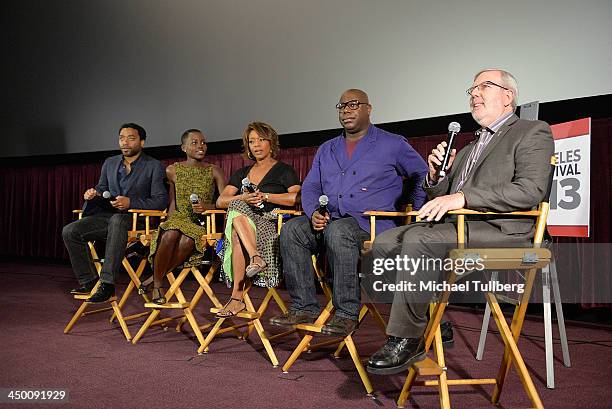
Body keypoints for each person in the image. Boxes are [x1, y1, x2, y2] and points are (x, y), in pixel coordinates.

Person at [366, 69, 555, 375]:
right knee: (383, 243)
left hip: (505, 230)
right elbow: (443, 195)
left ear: (508, 97)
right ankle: (434, 322)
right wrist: (435, 175)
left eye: (484, 86)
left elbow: (529, 190)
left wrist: (464, 198)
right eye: (472, 89)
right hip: (459, 227)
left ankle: (406, 338)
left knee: (420, 241)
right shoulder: (468, 148)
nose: (474, 94)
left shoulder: (532, 131)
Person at [269, 89, 428, 337]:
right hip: (330, 219)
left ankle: (346, 313)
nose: (346, 110)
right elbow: (311, 186)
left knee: (340, 231)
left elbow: (422, 175)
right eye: (342, 106)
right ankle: (304, 306)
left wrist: (416, 213)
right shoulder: (327, 149)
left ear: (368, 108)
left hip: (372, 224)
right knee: (292, 230)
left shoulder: (393, 143)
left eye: (354, 104)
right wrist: (312, 214)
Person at [62, 123, 168, 303]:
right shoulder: (110, 163)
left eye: (130, 138)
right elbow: (102, 189)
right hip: (109, 217)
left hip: (138, 220)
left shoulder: (154, 166)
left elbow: (160, 201)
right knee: (70, 231)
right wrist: (92, 195)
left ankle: (107, 284)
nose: (125, 143)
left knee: (118, 220)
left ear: (142, 142)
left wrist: (131, 203)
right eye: (121, 138)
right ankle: (89, 281)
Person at [215, 122, 301, 317]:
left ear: (271, 143)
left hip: (270, 223)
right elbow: (221, 201)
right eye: (251, 141)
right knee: (236, 207)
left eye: (261, 140)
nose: (256, 145)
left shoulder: (284, 171)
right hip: (245, 223)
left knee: (237, 231)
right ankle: (255, 258)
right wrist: (244, 197)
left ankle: (236, 298)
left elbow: (296, 198)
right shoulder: (241, 173)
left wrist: (266, 197)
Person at [142, 129, 226, 304]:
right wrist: (167, 221)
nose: (200, 146)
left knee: (188, 241)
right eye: (194, 143)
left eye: (203, 142)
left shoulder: (215, 170)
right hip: (178, 217)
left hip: (199, 221)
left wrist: (207, 207)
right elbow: (172, 200)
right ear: (184, 148)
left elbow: (224, 202)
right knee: (170, 233)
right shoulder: (173, 170)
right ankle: (158, 285)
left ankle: (155, 277)